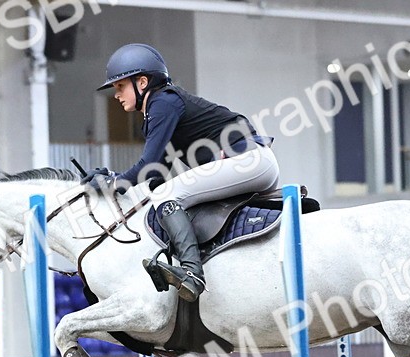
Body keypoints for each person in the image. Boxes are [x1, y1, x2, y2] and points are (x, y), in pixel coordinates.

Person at [85, 43, 279, 302]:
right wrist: (114, 177)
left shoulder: (162, 103)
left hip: (247, 161)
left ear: (142, 82)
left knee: (168, 196)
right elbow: (155, 173)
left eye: (120, 86)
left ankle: (192, 273)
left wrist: (112, 182)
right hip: (251, 163)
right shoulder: (161, 108)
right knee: (166, 193)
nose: (116, 94)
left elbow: (146, 166)